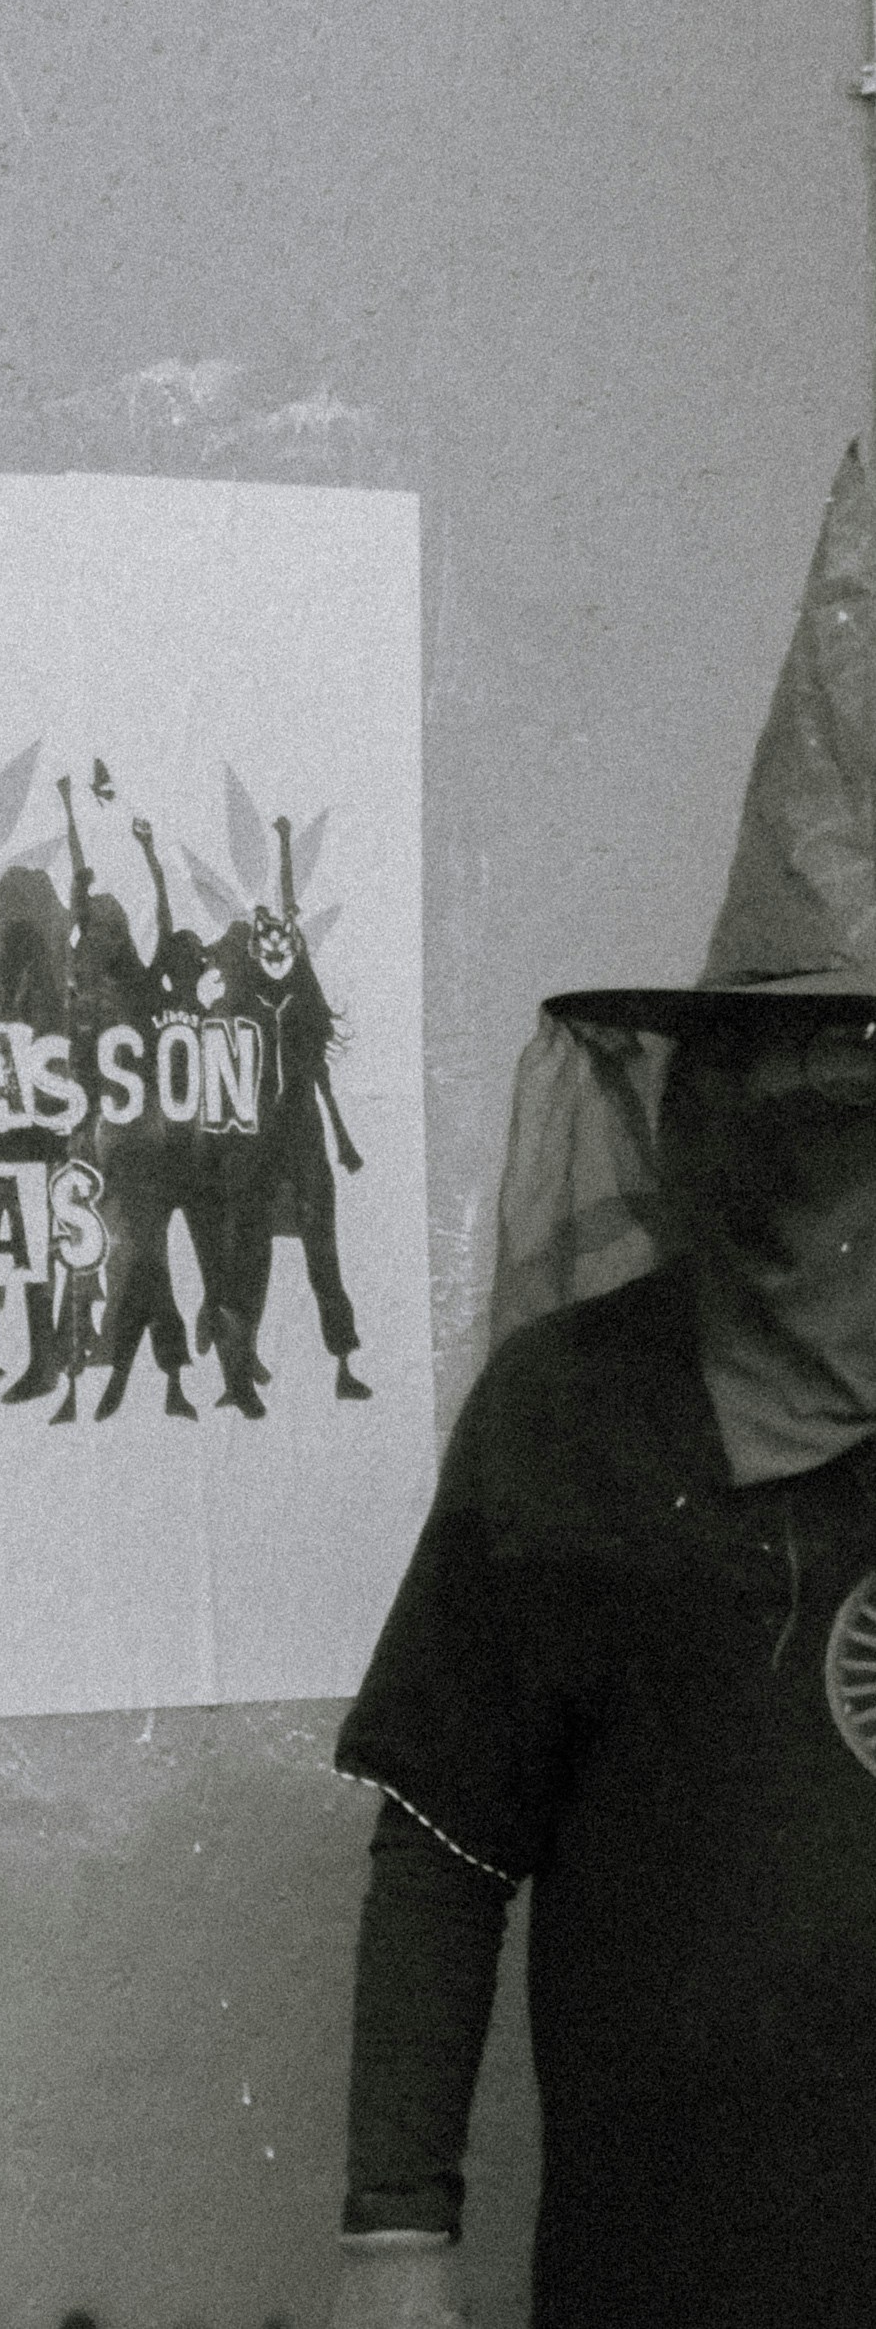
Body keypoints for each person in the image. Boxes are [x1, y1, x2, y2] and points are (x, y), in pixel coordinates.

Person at [330, 444, 876, 2328]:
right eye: (816, 1109)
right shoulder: (572, 1417)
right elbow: (446, 1841)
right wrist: (397, 2232)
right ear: (719, 1109)